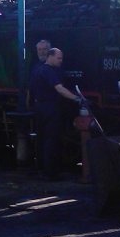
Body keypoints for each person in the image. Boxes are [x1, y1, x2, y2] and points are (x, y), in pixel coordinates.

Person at [30, 47, 82, 179]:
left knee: (41, 138)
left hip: (39, 106)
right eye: (59, 58)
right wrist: (76, 98)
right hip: (50, 107)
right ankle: (50, 172)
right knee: (51, 139)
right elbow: (59, 88)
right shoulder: (48, 71)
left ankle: (41, 169)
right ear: (50, 56)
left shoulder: (38, 70)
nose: (61, 61)